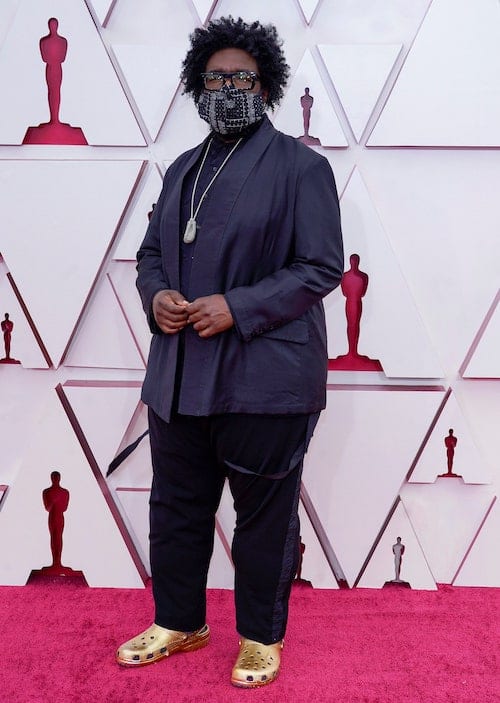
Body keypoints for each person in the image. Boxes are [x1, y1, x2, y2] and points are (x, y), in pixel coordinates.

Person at [116, 16, 344, 688]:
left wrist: (236, 306)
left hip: (265, 379)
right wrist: (157, 294)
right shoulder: (183, 168)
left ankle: (260, 636)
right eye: (216, 78)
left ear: (267, 83)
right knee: (175, 509)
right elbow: (153, 252)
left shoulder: (304, 168)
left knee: (264, 518)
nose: (230, 87)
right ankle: (180, 620)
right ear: (197, 85)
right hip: (180, 376)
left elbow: (320, 266)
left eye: (243, 76)